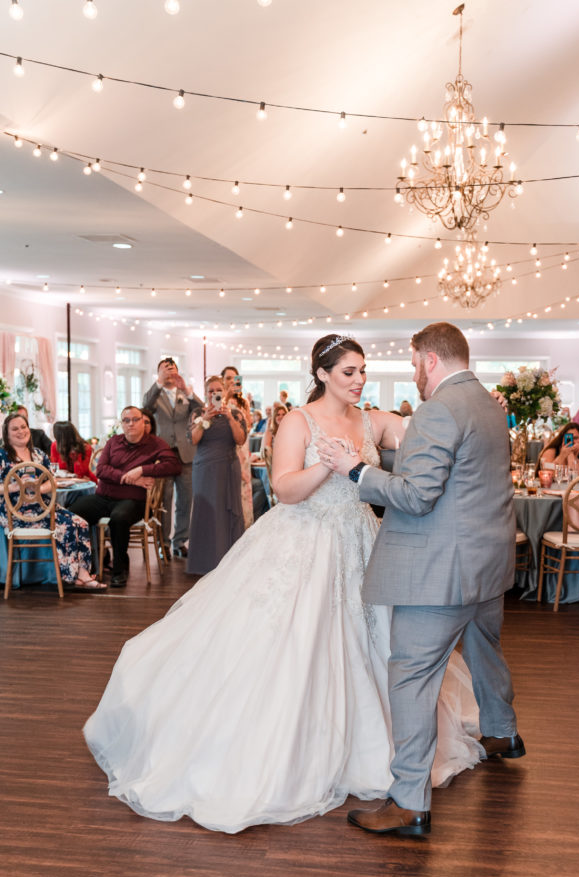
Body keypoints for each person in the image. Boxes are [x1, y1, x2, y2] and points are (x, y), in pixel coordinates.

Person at [82, 335, 484, 835]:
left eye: (363, 371)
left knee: (371, 643)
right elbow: (285, 489)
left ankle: (395, 752)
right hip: (306, 538)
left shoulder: (373, 420)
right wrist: (328, 464)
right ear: (322, 374)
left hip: (360, 540)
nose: (359, 381)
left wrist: (461, 422)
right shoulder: (298, 421)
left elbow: (420, 436)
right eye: (348, 372)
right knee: (295, 641)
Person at [321, 321, 522, 837]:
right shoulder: (487, 404)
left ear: (430, 360)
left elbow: (416, 495)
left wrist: (356, 471)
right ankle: (502, 732)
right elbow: (456, 471)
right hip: (487, 564)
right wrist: (383, 457)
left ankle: (409, 800)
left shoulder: (437, 410)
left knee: (410, 675)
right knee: (484, 649)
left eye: (413, 364)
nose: (413, 374)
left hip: (441, 571)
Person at [69, 406, 181, 588]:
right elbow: (101, 470)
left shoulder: (155, 444)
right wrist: (130, 478)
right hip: (104, 497)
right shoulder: (114, 442)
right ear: (121, 424)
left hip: (134, 501)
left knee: (119, 519)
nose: (131, 424)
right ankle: (86, 566)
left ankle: (118, 570)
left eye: (135, 420)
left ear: (144, 422)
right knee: (72, 514)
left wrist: (143, 470)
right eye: (126, 420)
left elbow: (174, 466)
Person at [1, 412, 105, 590]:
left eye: (23, 427)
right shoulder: (3, 456)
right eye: (15, 429)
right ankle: (72, 575)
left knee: (81, 522)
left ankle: (82, 573)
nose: (21, 431)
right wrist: (16, 487)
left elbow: (52, 481)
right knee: (64, 526)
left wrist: (39, 489)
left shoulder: (39, 455)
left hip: (42, 506)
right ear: (7, 433)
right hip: (15, 511)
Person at [186, 376, 247, 576]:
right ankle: (204, 562)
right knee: (206, 511)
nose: (214, 394)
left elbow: (240, 439)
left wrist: (229, 417)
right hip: (204, 469)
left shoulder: (236, 413)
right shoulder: (197, 412)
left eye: (218, 390)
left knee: (228, 513)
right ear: (206, 393)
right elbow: (193, 440)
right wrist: (205, 418)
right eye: (211, 390)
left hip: (228, 467)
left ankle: (230, 561)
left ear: (225, 392)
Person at [143, 358, 202, 557]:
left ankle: (180, 541)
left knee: (186, 500)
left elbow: (201, 411)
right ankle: (164, 544)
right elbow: (145, 408)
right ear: (159, 373)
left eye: (172, 369)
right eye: (165, 370)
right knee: (164, 501)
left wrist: (187, 391)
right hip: (163, 454)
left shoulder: (184, 393)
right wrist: (158, 383)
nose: (170, 373)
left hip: (186, 453)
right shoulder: (154, 394)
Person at [222, 366, 254, 529]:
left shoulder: (244, 402)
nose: (231, 381)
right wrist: (225, 397)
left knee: (243, 487)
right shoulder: (219, 399)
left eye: (234, 378)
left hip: (242, 448)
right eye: (228, 378)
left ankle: (244, 526)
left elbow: (248, 426)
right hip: (225, 448)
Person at [260, 402, 287, 481]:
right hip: (274, 460)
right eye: (278, 415)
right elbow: (267, 448)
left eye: (283, 414)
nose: (281, 417)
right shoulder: (271, 431)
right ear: (274, 417)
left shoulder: (290, 430)